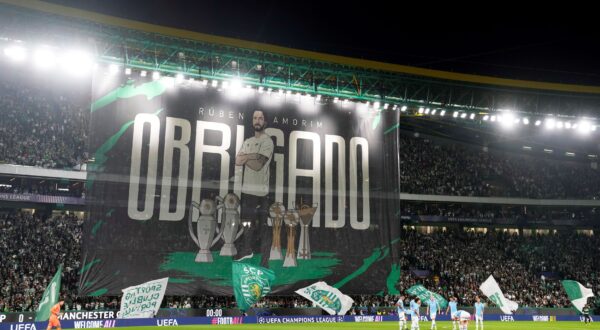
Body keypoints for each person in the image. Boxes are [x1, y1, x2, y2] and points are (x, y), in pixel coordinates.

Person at [235, 110, 274, 263]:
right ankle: (247, 250)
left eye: (261, 118)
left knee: (263, 228)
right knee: (246, 223)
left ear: (265, 122)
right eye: (255, 118)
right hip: (247, 192)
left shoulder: (267, 141)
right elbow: (238, 160)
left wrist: (246, 158)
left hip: (261, 193)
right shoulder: (248, 141)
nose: (257, 121)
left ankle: (265, 260)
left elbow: (258, 166)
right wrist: (253, 155)